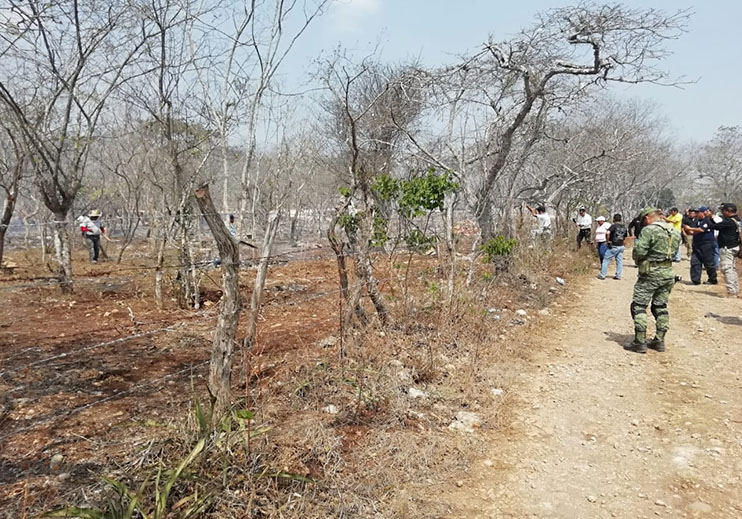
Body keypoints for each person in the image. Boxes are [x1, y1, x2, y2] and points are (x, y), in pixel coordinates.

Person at [625, 207, 681, 354]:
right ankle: (659, 340)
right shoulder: (674, 231)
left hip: (650, 273)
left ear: (647, 218)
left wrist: (640, 261)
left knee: (639, 306)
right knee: (660, 306)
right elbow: (675, 252)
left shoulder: (648, 230)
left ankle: (639, 342)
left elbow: (639, 251)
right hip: (668, 273)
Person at [708, 203, 741, 297]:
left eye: (723, 210)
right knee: (732, 269)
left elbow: (714, 226)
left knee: (727, 269)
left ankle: (732, 291)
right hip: (735, 246)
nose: (722, 212)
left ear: (728, 211)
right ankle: (735, 289)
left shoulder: (729, 222)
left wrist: (709, 218)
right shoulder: (738, 220)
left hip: (728, 248)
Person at [684, 206, 718, 285]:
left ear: (703, 213)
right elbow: (694, 231)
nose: (696, 214)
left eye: (698, 212)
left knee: (708, 263)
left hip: (707, 244)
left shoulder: (707, 220)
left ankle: (712, 279)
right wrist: (687, 230)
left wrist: (689, 228)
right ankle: (695, 280)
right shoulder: (697, 221)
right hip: (697, 244)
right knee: (695, 262)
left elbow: (702, 229)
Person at [597, 214, 627, 280]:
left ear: (614, 219)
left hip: (614, 246)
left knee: (606, 260)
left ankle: (602, 275)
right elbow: (625, 237)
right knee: (619, 261)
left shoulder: (613, 226)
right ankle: (618, 275)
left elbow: (607, 233)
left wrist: (608, 241)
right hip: (621, 246)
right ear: (620, 219)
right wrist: (623, 244)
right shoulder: (624, 227)